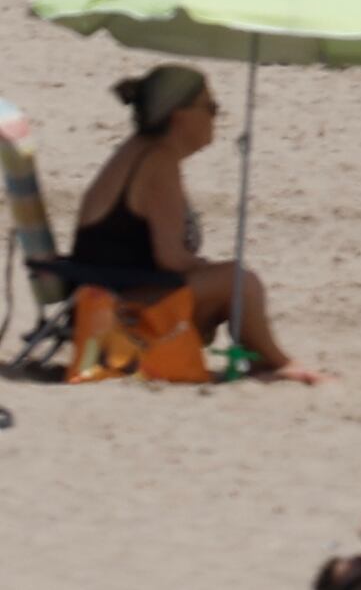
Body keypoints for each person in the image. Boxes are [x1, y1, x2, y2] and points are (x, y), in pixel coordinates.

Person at [68, 64, 317, 381]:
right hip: (118, 312)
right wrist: (209, 270)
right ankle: (278, 364)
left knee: (227, 280)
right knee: (240, 283)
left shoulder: (138, 151)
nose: (216, 117)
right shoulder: (158, 161)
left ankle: (266, 360)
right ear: (179, 116)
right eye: (211, 108)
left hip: (99, 298)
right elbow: (170, 259)